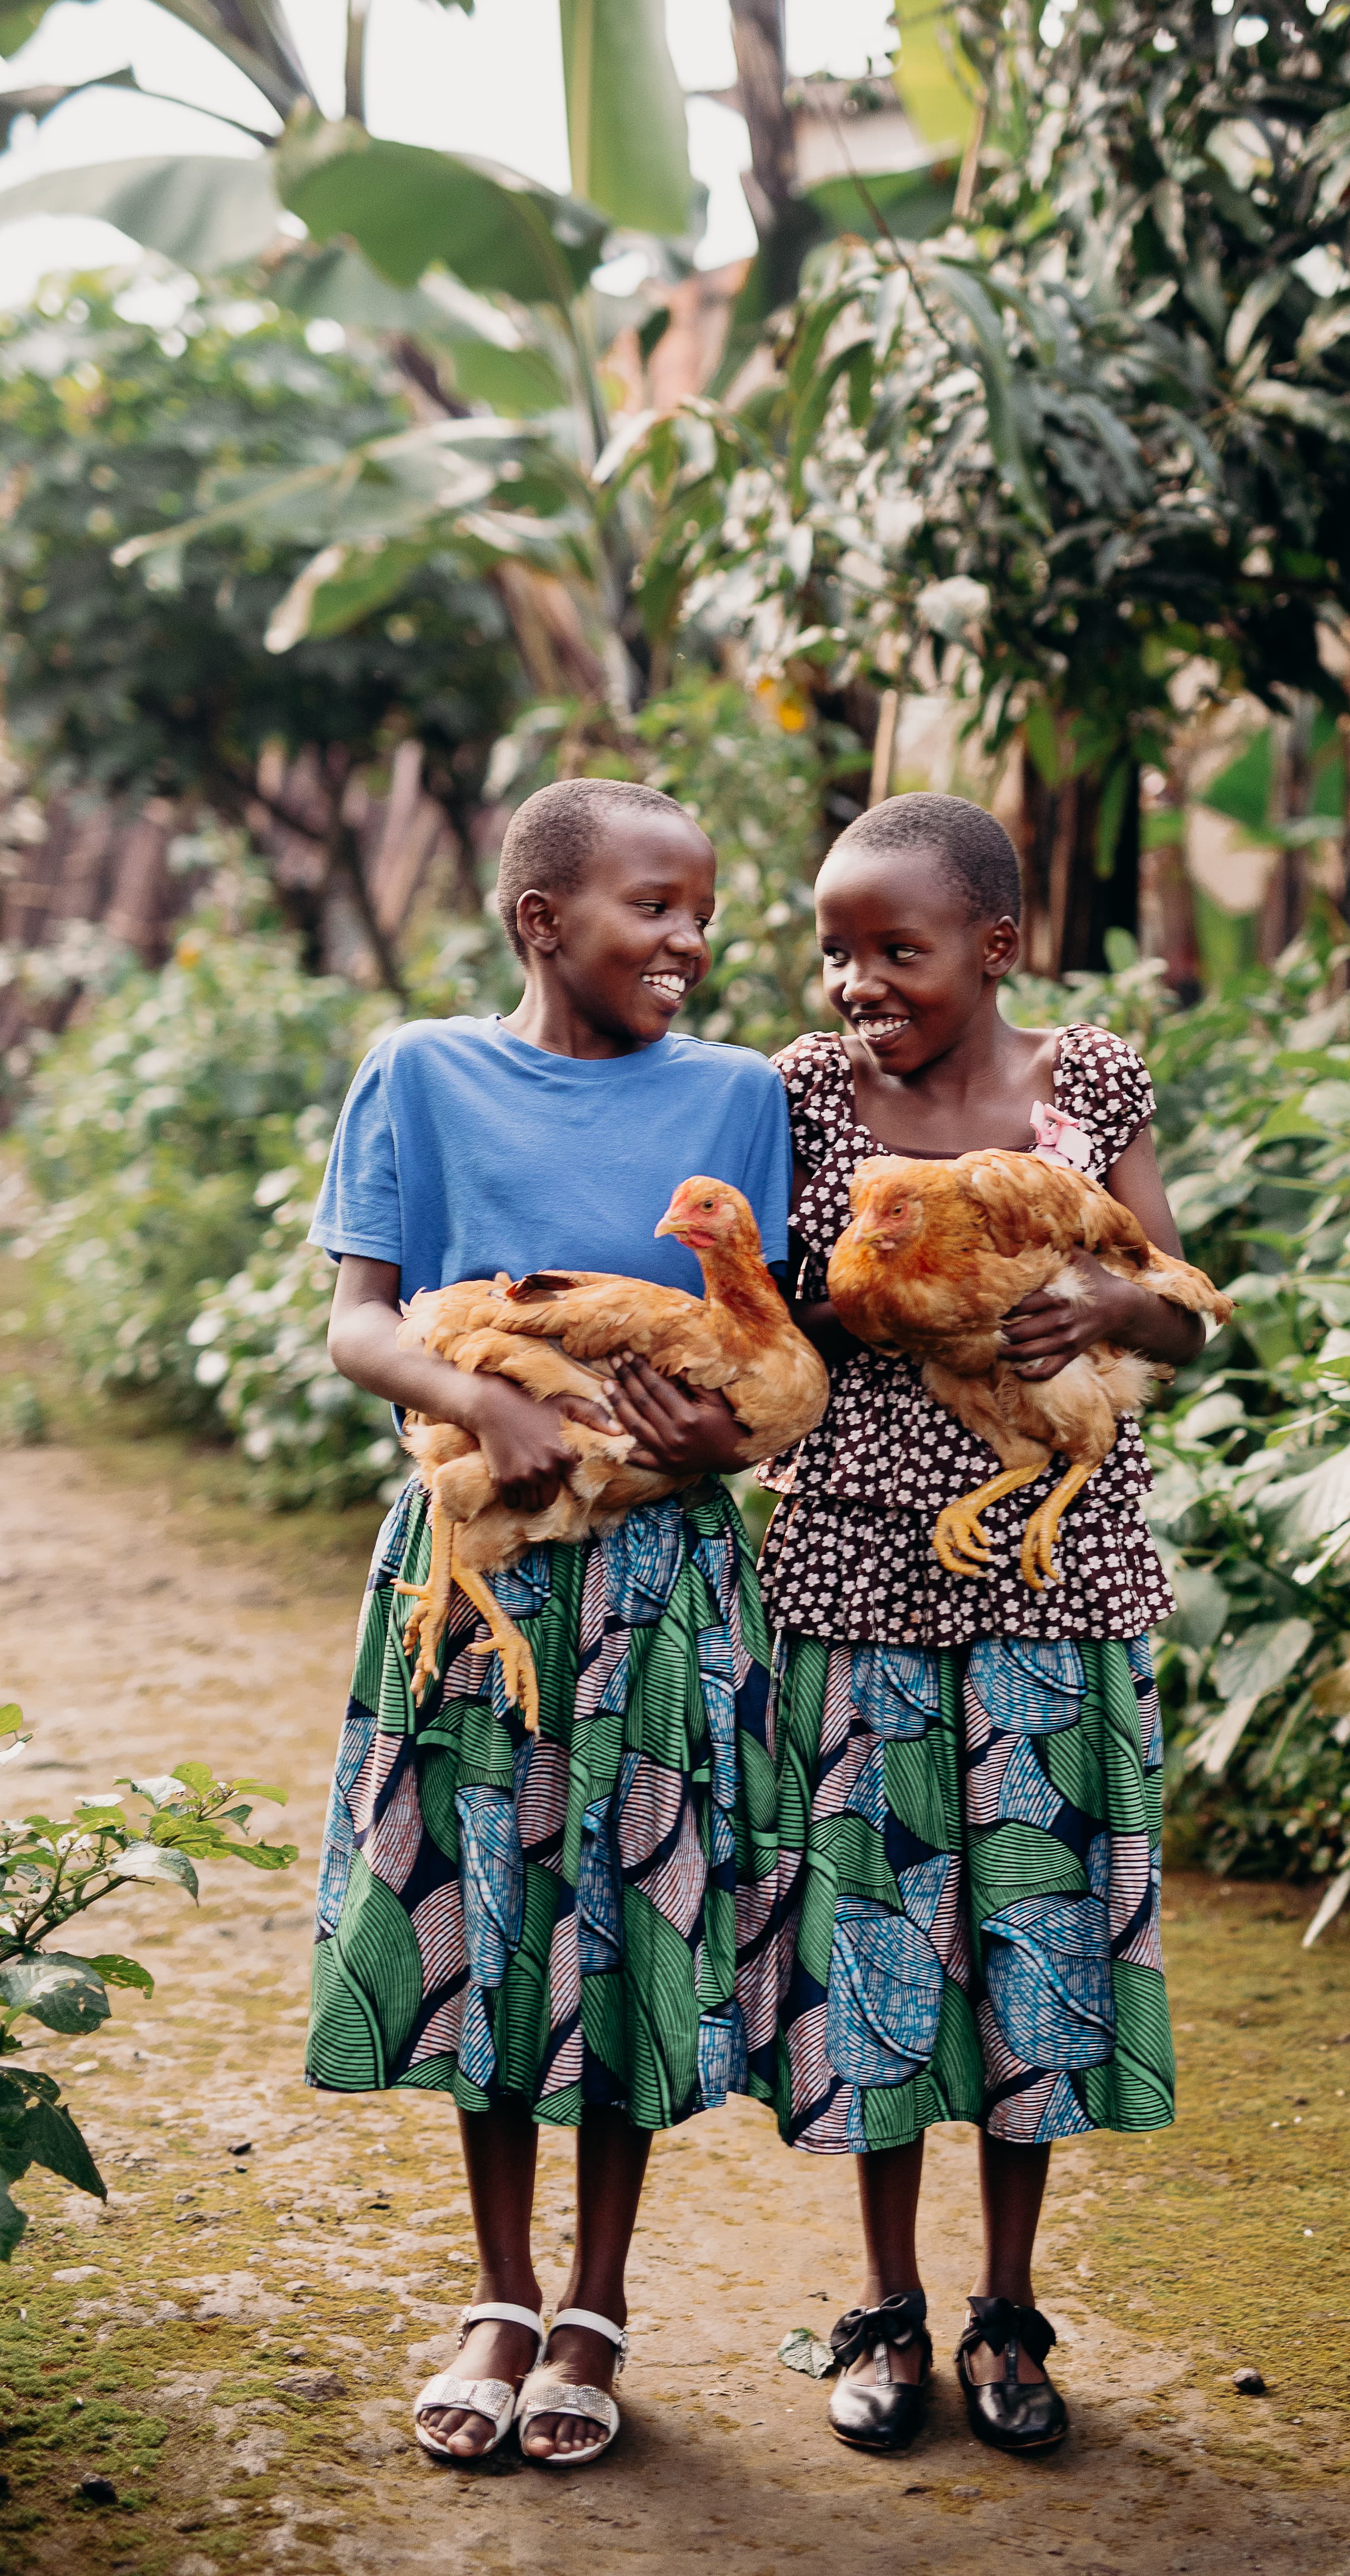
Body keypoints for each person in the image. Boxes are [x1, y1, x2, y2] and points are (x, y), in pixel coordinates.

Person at [306, 777, 789, 2471]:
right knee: (486, 1918)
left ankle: (597, 2300)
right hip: (474, 1574)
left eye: (702, 912)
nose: (690, 942)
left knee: (621, 1920)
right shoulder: (422, 1074)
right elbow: (362, 1324)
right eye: (653, 908)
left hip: (658, 1580)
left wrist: (721, 1446)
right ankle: (500, 2296)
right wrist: (477, 1401)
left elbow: (762, 1352)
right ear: (541, 921)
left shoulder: (737, 1100)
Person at [743, 791, 1202, 2458]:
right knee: (877, 1939)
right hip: (858, 1560)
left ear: (996, 946)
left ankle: (1009, 2308)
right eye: (837, 951)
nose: (859, 981)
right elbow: (768, 1312)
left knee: (1038, 1937)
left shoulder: (1090, 1083)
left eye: (899, 949)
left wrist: (1110, 1297)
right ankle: (884, 2306)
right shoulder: (797, 1092)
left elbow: (1185, 1308)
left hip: (1053, 1573)